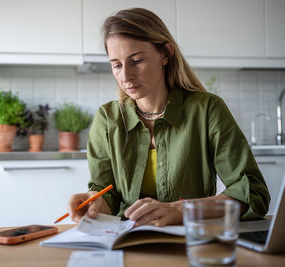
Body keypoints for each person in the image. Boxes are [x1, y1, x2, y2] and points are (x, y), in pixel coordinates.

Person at [67, 8, 270, 227]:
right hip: (127, 240)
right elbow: (107, 193)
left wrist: (181, 209)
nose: (125, 76)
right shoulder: (107, 118)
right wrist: (95, 203)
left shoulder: (207, 109)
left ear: (166, 54)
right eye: (116, 65)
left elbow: (253, 194)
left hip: (192, 239)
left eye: (136, 60)